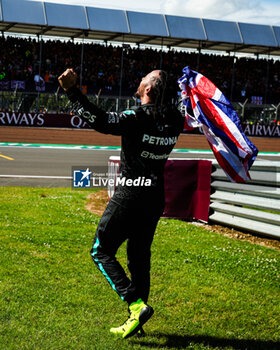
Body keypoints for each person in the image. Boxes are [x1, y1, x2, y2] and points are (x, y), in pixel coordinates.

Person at [58, 68, 184, 339]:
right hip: (155, 196)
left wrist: (71, 92)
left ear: (148, 90)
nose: (140, 80)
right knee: (139, 260)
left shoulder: (138, 117)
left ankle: (136, 306)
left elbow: (103, 121)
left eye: (144, 78)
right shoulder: (176, 118)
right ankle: (136, 323)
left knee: (100, 250)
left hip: (131, 194)